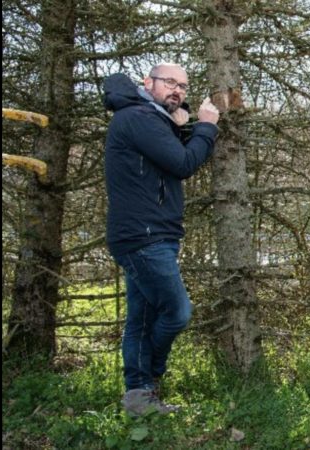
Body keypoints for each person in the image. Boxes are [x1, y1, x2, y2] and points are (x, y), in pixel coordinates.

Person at [103, 63, 220, 417]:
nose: (177, 91)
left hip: (152, 234)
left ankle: (139, 399)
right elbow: (183, 164)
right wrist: (207, 127)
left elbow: (163, 158)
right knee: (177, 312)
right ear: (147, 82)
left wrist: (181, 127)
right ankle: (150, 375)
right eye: (170, 82)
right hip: (144, 236)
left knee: (140, 320)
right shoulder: (138, 117)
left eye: (183, 86)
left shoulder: (149, 119)